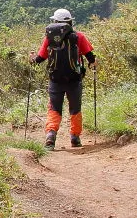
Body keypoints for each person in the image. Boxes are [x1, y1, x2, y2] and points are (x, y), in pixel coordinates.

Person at [32, 8, 96, 150]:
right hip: (74, 79)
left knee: (54, 108)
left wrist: (31, 59)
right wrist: (93, 64)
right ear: (70, 22)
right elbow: (90, 57)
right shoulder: (78, 37)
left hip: (55, 80)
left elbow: (39, 58)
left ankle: (50, 136)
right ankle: (75, 138)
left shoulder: (49, 38)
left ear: (55, 22)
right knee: (75, 108)